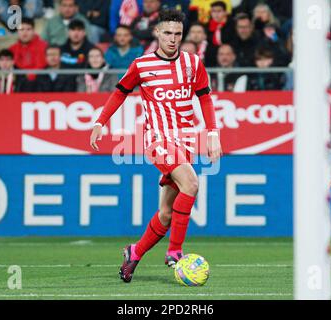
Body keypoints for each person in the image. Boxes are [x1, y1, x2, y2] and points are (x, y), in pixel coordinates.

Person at [90, 9, 222, 283]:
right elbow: (120, 92)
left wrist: (212, 133)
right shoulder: (141, 65)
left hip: (186, 140)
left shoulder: (193, 63)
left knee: (165, 213)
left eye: (177, 34)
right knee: (192, 184)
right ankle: (175, 251)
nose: (173, 39)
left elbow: (205, 98)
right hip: (157, 139)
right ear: (157, 33)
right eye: (167, 33)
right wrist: (101, 122)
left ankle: (134, 252)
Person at [9, 18, 48, 91]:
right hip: (19, 82)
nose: (25, 33)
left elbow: (42, 66)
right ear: (17, 31)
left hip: (40, 82)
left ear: (33, 31)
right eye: (22, 29)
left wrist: (29, 75)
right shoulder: (12, 49)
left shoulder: (44, 46)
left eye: (28, 29)